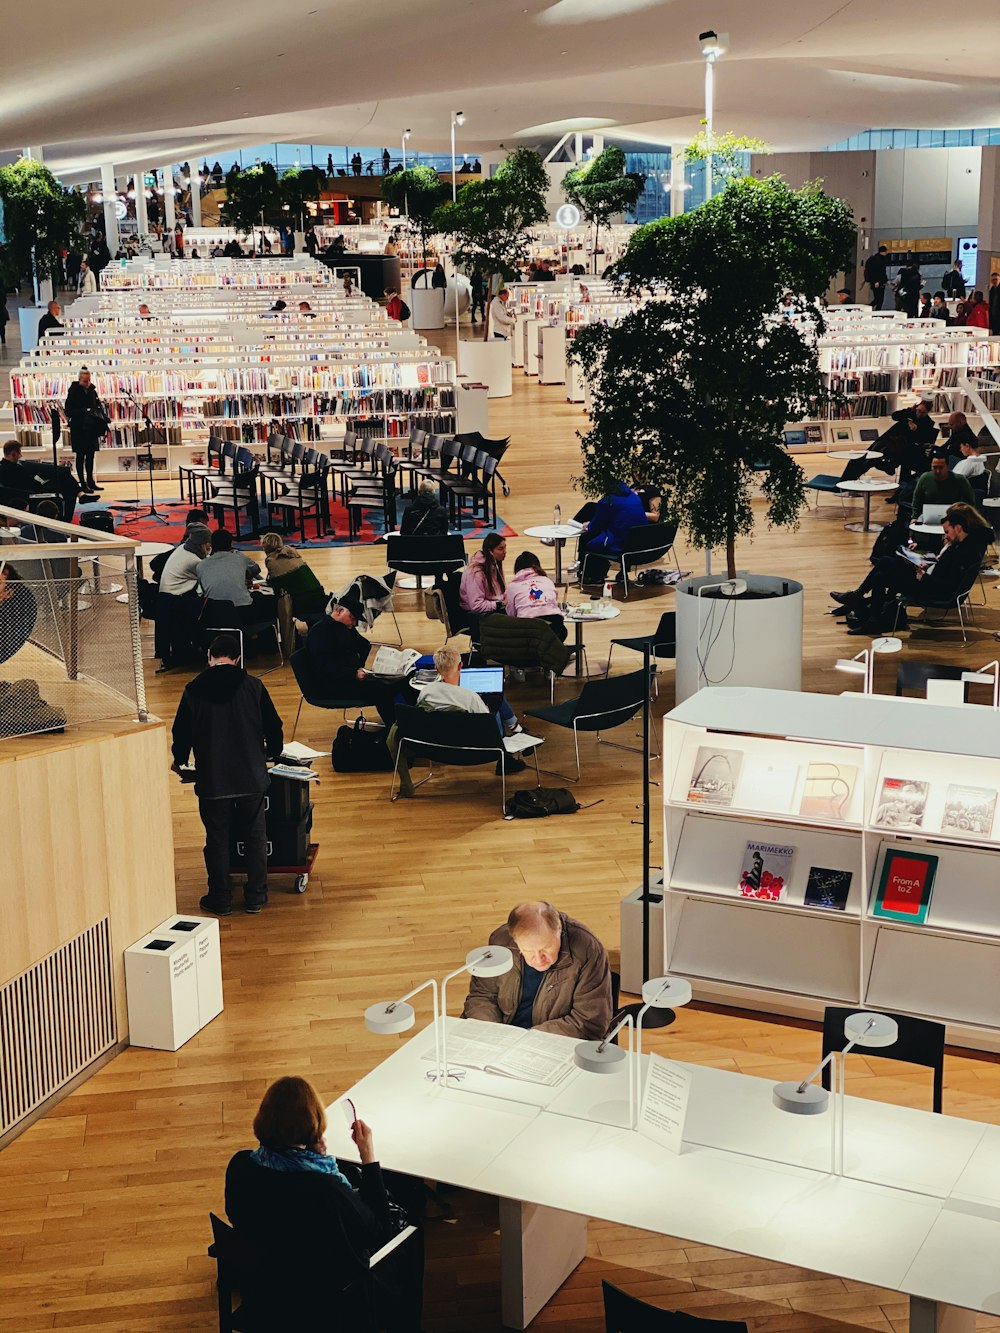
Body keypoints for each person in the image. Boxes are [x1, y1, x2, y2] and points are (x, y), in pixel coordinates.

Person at [225, 1076, 424, 1331]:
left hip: (266, 1287)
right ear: (312, 1125)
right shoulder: (325, 1190)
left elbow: (237, 1214)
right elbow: (379, 1232)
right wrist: (368, 1157)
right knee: (412, 1229)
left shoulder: (241, 1165)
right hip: (322, 1303)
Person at [170, 633, 283, 915]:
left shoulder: (193, 689)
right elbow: (274, 726)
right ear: (238, 659)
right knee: (256, 835)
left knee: (217, 837)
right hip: (251, 775)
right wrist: (273, 753)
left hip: (213, 779)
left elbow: (181, 732)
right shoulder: (253, 686)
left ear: (209, 657)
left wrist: (180, 759)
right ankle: (256, 895)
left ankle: (220, 898)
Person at [831, 503, 991, 634]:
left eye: (947, 532)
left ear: (958, 528)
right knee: (886, 561)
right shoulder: (963, 544)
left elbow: (948, 584)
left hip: (932, 588)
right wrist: (928, 566)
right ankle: (860, 600)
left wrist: (924, 576)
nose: (945, 536)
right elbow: (945, 568)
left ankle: (871, 616)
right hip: (930, 580)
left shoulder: (964, 552)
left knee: (881, 576)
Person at [462, 901, 612, 1040]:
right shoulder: (500, 942)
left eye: (546, 949)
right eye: (528, 951)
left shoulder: (588, 950)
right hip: (503, 1038)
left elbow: (588, 1021)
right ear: (515, 941)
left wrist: (529, 1039)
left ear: (558, 929)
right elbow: (482, 996)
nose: (539, 959)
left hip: (552, 1041)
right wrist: (493, 1032)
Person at [390, 646, 526, 795]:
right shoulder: (470, 697)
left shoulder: (426, 692)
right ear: (460, 666)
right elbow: (487, 726)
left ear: (436, 667)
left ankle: (516, 729)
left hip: (437, 746)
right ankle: (513, 741)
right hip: (477, 750)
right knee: (497, 705)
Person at [304, 593, 396, 723]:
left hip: (344, 677)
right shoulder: (320, 633)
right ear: (339, 611)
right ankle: (395, 729)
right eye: (352, 618)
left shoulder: (344, 627)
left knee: (394, 682)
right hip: (331, 685)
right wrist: (353, 673)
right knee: (382, 689)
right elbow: (324, 667)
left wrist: (359, 668)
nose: (353, 623)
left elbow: (364, 645)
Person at [838, 400, 939, 485]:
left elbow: (922, 441)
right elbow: (895, 416)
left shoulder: (928, 423)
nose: (919, 414)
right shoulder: (910, 413)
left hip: (900, 448)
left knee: (870, 460)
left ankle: (848, 482)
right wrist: (909, 412)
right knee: (862, 457)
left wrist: (917, 429)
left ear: (928, 412)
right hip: (888, 441)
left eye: (923, 412)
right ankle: (845, 480)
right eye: (918, 410)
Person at [156, 521, 213, 670]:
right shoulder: (193, 560)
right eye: (208, 544)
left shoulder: (183, 548)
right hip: (174, 601)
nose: (209, 547)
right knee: (209, 608)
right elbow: (209, 576)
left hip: (167, 598)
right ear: (201, 544)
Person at [578, 481, 647, 583]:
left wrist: (589, 525)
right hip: (641, 545)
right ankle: (599, 572)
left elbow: (594, 528)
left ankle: (591, 576)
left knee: (587, 538)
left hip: (621, 547)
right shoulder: (635, 497)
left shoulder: (607, 502)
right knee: (603, 537)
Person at [197, 528, 271, 619]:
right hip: (242, 611)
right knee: (260, 598)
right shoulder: (239, 557)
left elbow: (204, 590)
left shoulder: (201, 565)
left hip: (215, 614)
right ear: (230, 544)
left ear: (211, 545)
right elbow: (256, 569)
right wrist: (244, 576)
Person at [0, 439, 81, 521]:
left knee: (65, 477)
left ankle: (79, 495)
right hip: (34, 491)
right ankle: (73, 506)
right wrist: (40, 481)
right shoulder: (13, 468)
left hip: (31, 488)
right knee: (66, 480)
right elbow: (30, 483)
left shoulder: (4, 466)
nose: (20, 456)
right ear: (13, 454)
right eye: (19, 453)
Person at [261, 531, 327, 622]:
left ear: (265, 548)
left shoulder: (272, 561)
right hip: (320, 597)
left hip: (303, 603)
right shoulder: (292, 553)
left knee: (272, 603)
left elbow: (277, 590)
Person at [504, 551, 566, 641]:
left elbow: (511, 614)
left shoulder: (512, 587)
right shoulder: (547, 581)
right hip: (555, 627)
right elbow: (553, 602)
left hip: (527, 631)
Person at [64, 368, 108, 492]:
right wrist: (85, 410)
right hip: (79, 429)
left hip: (91, 428)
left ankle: (90, 481)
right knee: (80, 456)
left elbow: (97, 407)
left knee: (90, 456)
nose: (87, 383)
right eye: (85, 381)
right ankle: (82, 483)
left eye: (89, 380)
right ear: (79, 380)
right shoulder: (73, 391)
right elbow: (68, 411)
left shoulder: (92, 391)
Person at [910, 451, 975, 519]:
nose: (938, 471)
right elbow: (917, 499)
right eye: (935, 467)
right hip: (928, 516)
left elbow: (970, 501)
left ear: (947, 466)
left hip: (952, 516)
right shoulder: (925, 478)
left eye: (941, 468)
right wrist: (914, 517)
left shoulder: (959, 480)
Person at [460, 532, 506, 615]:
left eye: (505, 548)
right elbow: (476, 605)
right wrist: (499, 604)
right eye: (500, 549)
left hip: (493, 609)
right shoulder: (475, 573)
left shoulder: (494, 565)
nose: (505, 552)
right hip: (478, 616)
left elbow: (499, 594)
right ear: (490, 552)